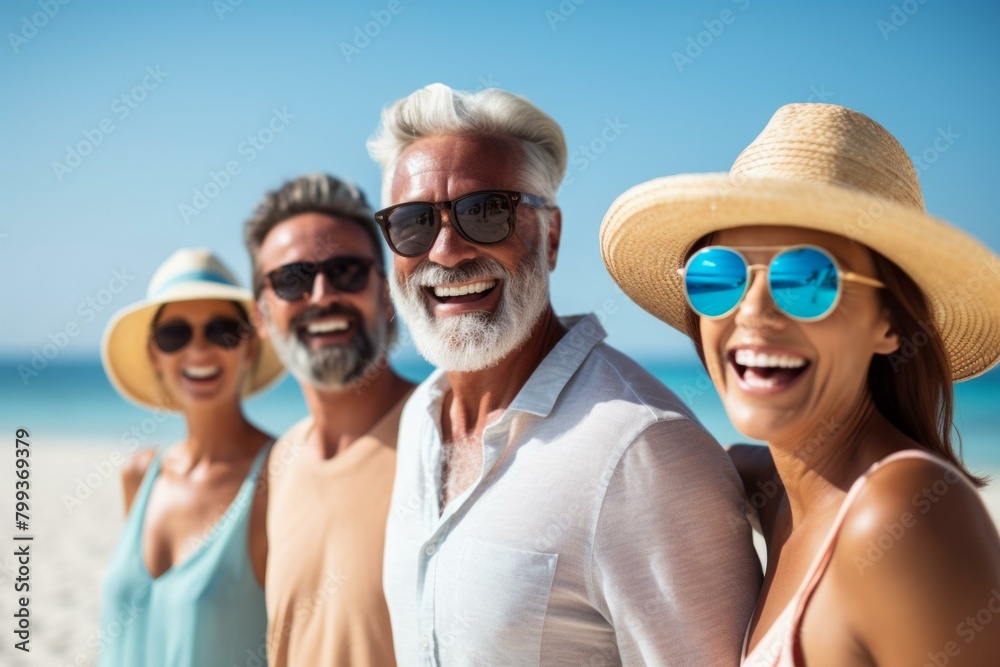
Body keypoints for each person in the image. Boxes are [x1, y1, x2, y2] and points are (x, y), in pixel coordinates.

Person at [368, 83, 761, 665]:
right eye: (413, 222)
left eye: (485, 211)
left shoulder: (642, 450)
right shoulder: (419, 419)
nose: (446, 250)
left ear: (550, 236)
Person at [601, 103, 1000, 666]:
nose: (754, 309)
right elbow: (726, 463)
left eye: (807, 280)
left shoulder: (901, 516)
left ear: (889, 323)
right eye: (720, 276)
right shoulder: (788, 495)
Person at [243, 173, 414, 666]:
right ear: (261, 315)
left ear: (385, 296)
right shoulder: (278, 464)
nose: (321, 295)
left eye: (346, 272)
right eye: (291, 279)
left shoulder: (448, 432)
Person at [99, 248, 284, 666]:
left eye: (222, 331)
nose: (198, 349)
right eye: (174, 334)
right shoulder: (139, 474)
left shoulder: (279, 478)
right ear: (153, 354)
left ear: (250, 347)